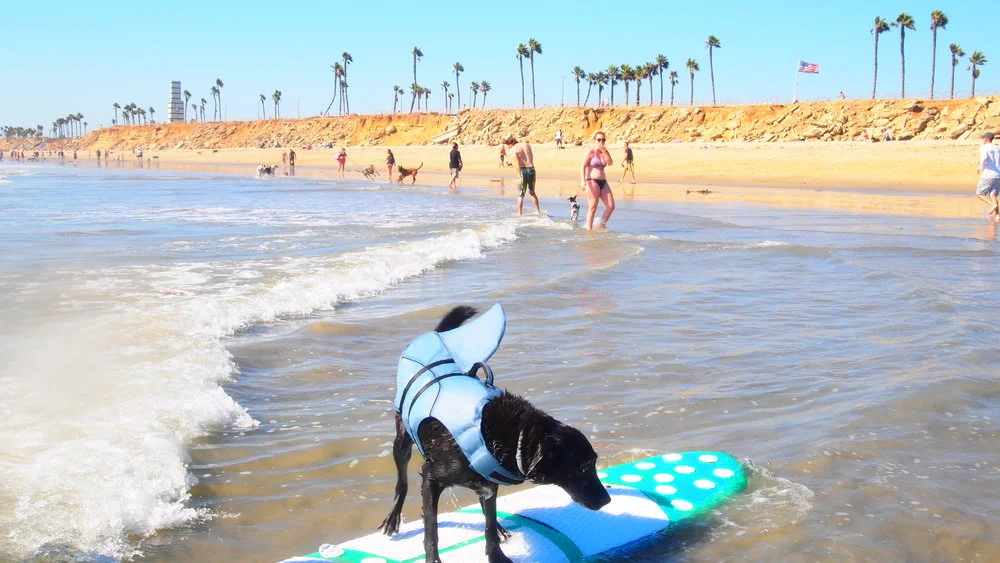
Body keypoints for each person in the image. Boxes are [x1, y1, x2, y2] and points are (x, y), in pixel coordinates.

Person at [581, 131, 615, 230]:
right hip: (592, 180)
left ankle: (601, 225)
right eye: (599, 139)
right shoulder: (591, 152)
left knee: (611, 206)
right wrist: (583, 181)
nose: (601, 141)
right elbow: (583, 166)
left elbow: (610, 163)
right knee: (593, 207)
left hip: (603, 181)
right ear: (595, 140)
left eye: (603, 139)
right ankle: (589, 229)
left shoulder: (605, 152)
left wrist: (604, 151)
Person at [505, 136, 540, 215]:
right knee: (532, 192)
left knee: (520, 194)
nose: (508, 148)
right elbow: (531, 157)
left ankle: (519, 214)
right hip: (532, 169)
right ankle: (538, 211)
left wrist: (519, 176)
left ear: (511, 144)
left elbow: (517, 163)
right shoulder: (527, 145)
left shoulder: (513, 149)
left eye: (508, 146)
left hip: (523, 171)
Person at [976, 132, 1000, 222]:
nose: (982, 140)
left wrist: (980, 167)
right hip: (998, 174)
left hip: (988, 174)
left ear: (986, 139)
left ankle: (992, 205)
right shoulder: (997, 148)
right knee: (993, 194)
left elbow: (984, 158)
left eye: (983, 138)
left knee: (979, 193)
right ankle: (997, 215)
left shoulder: (984, 147)